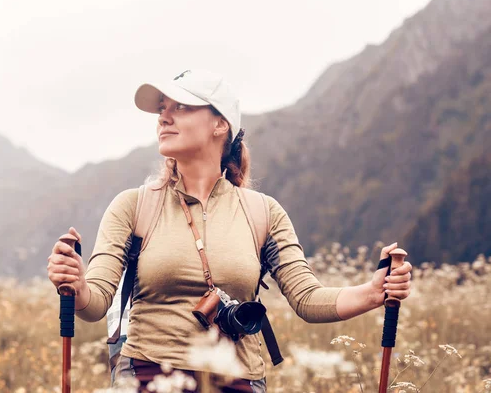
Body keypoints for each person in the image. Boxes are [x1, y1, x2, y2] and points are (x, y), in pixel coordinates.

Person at [46, 69, 413, 392]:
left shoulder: (262, 212)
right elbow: (95, 305)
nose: (164, 118)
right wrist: (77, 286)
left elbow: (307, 299)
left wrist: (372, 292)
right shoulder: (133, 205)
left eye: (181, 108)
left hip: (239, 382)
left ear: (220, 124)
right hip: (148, 377)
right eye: (162, 109)